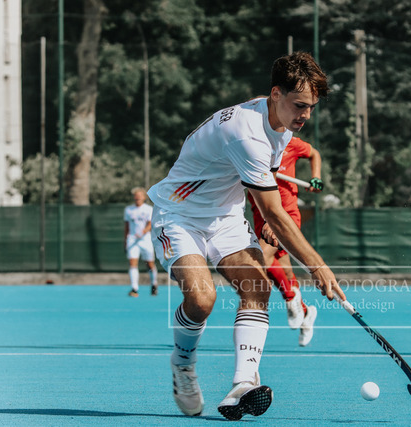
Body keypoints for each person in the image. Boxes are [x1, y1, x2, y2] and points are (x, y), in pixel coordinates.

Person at [147, 51, 346, 420]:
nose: (305, 114)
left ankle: (243, 383)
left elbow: (264, 188)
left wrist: (269, 221)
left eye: (311, 107)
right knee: (202, 299)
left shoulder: (280, 125)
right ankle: (183, 363)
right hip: (179, 215)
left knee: (257, 287)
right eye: (299, 105)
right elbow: (273, 210)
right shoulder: (247, 134)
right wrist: (316, 265)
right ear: (276, 94)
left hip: (225, 217)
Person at [247, 136, 323, 346]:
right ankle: (305, 313)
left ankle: (291, 298)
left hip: (285, 215)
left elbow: (314, 153)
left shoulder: (291, 142)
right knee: (284, 272)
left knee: (261, 257)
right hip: (260, 215)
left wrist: (316, 177)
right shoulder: (249, 144)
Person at [123, 187, 158, 297]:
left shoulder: (148, 209)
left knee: (150, 264)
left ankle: (154, 284)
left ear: (144, 197)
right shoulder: (128, 210)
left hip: (145, 240)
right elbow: (126, 226)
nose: (137, 197)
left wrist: (142, 232)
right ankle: (134, 288)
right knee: (132, 264)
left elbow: (150, 224)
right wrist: (125, 240)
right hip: (132, 240)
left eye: (139, 195)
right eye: (136, 196)